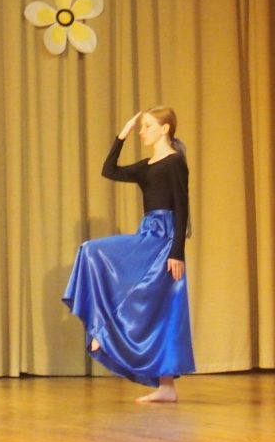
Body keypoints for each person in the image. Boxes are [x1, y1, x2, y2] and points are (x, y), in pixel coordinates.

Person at [63, 107, 194, 403]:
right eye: (142, 127)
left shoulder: (175, 162)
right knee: (92, 252)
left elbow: (182, 207)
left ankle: (165, 385)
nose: (142, 132)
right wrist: (123, 133)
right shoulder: (147, 166)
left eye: (147, 126)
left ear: (165, 129)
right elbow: (109, 170)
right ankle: (106, 331)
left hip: (165, 239)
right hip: (148, 233)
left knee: (164, 307)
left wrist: (177, 252)